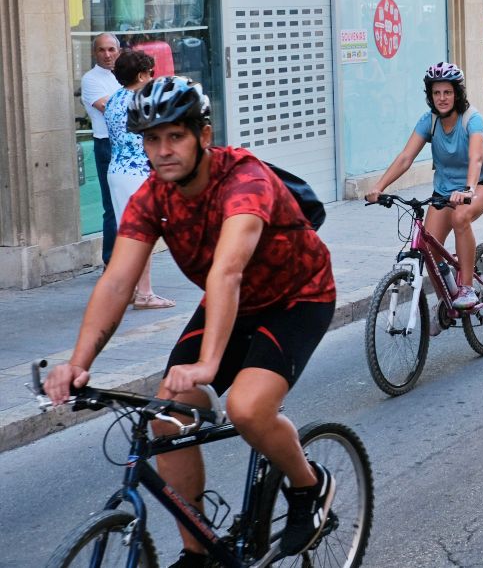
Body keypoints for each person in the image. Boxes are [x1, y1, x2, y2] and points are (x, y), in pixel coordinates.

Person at [44, 77, 338, 565]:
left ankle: (309, 487)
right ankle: (197, 550)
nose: (162, 151)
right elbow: (118, 281)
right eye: (152, 140)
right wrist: (78, 364)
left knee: (247, 408)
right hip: (235, 304)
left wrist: (207, 365)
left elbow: (227, 271)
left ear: (203, 136)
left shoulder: (245, 179)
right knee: (167, 411)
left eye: (174, 136)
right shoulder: (153, 198)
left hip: (297, 298)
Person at [370, 63, 483, 309]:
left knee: (461, 217)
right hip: (444, 191)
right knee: (429, 248)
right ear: (430, 95)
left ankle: (466, 288)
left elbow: (476, 157)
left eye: (447, 92)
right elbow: (405, 157)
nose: (441, 98)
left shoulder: (470, 120)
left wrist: (469, 189)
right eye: (436, 93)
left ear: (457, 94)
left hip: (481, 183)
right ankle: (446, 302)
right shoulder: (429, 121)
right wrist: (380, 187)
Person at [105, 51, 174, 310]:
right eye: (150, 73)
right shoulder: (142, 100)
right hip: (138, 173)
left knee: (128, 234)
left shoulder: (114, 99)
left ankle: (133, 290)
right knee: (143, 234)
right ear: (142, 75)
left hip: (117, 171)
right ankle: (144, 293)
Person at [80, 33, 123, 264]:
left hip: (131, 144)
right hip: (107, 144)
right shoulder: (91, 79)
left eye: (111, 49)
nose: (107, 55)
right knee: (112, 207)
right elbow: (113, 109)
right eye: (101, 50)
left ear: (119, 51)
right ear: (94, 53)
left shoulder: (123, 75)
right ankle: (111, 262)